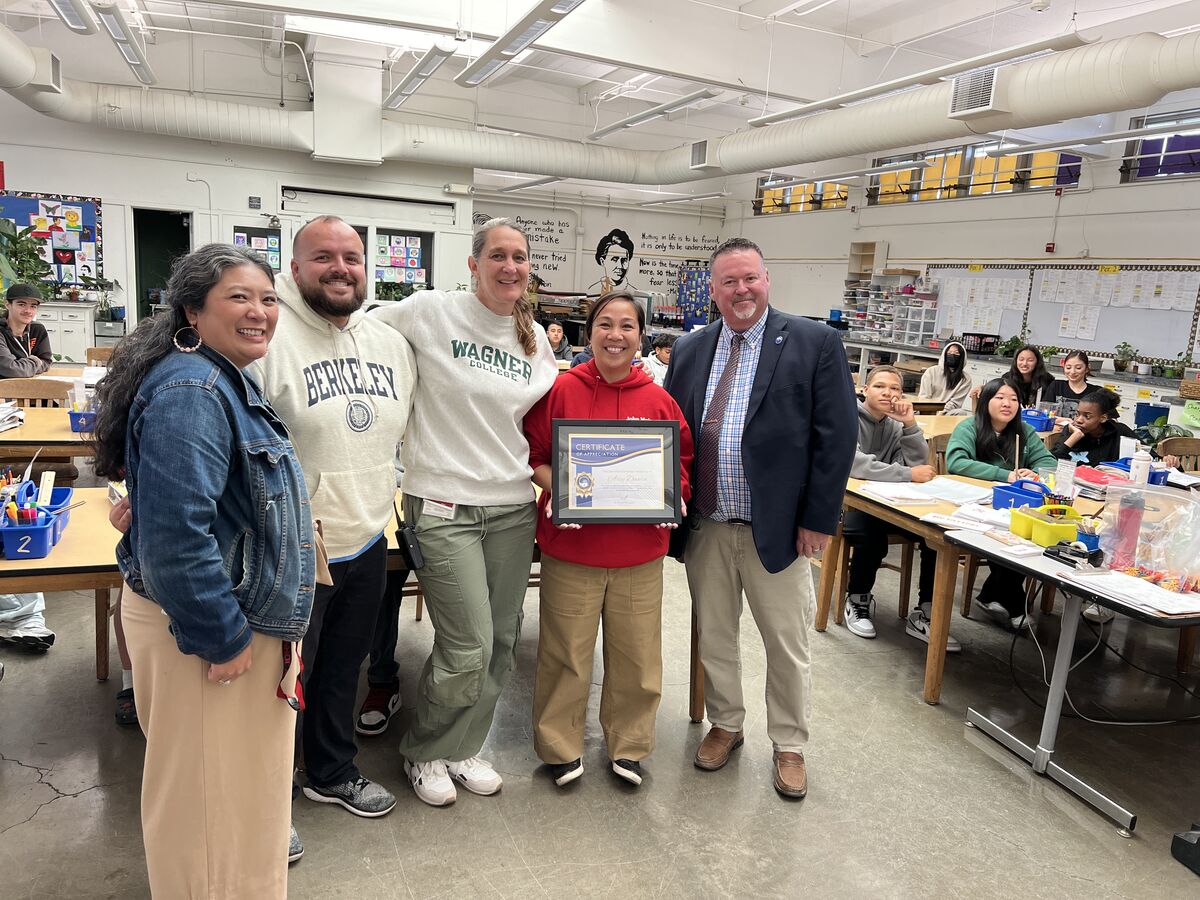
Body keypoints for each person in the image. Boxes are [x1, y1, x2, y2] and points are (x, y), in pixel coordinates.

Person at [91, 244, 314, 899]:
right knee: (208, 814)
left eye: (268, 298)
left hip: (221, 615)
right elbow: (176, 544)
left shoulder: (216, 377)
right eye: (238, 297)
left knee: (234, 806)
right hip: (208, 629)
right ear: (192, 310)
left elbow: (190, 509)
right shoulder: (194, 389)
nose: (259, 311)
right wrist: (223, 636)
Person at [371, 217, 558, 807]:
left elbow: (541, 423)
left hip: (512, 507)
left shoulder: (536, 339)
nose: (510, 266)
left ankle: (464, 746)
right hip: (442, 504)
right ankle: (424, 749)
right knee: (468, 641)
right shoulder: (431, 311)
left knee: (501, 639)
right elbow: (358, 330)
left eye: (519, 257)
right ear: (474, 264)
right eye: (497, 255)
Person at [664, 237, 857, 800]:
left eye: (750, 278)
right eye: (729, 281)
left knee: (786, 642)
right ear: (713, 290)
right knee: (715, 635)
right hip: (707, 525)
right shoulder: (690, 348)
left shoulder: (814, 342)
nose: (741, 289)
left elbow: (836, 439)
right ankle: (726, 723)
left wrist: (818, 518)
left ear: (767, 280)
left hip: (779, 529)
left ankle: (790, 743)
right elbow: (672, 433)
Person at [248, 215, 416, 821]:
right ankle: (269, 802)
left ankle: (330, 771)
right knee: (281, 682)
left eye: (352, 257)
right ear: (294, 268)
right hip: (291, 544)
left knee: (343, 669)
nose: (340, 269)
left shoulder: (390, 343)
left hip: (367, 534)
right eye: (323, 257)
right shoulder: (266, 338)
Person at [524, 291, 693, 789]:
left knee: (637, 656)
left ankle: (629, 746)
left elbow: (681, 464)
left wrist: (675, 497)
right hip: (571, 550)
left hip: (638, 553)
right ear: (590, 332)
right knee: (565, 653)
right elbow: (533, 457)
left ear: (640, 337)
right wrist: (561, 490)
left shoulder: (659, 401)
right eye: (605, 324)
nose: (615, 335)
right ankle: (559, 746)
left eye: (626, 326)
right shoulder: (560, 390)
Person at [843, 366, 961, 652]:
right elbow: (854, 464)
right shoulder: (846, 416)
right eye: (880, 386)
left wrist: (909, 425)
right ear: (865, 390)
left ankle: (925, 611)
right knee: (869, 533)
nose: (888, 393)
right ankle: (857, 598)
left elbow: (917, 464)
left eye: (895, 388)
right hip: (848, 504)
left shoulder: (896, 425)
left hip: (890, 502)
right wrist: (906, 474)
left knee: (936, 534)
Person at [946, 377, 1056, 630]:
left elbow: (1049, 462)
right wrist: (1005, 475)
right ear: (986, 401)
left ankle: (990, 595)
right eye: (1000, 398)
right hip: (976, 505)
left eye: (1014, 399)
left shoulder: (1024, 431)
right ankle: (1016, 605)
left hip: (1013, 505)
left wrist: (1033, 472)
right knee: (1008, 537)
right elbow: (956, 462)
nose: (1007, 404)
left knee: (1025, 534)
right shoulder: (969, 427)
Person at [0, 284, 52, 376]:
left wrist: (23, 367)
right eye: (21, 304)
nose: (28, 311)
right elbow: (10, 369)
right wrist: (35, 362)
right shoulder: (1, 331)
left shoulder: (37, 329)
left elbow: (46, 361)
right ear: (7, 305)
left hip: (27, 383)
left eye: (33, 306)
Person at [916, 340, 971, 414]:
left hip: (947, 413)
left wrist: (941, 414)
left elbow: (955, 403)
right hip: (927, 410)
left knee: (961, 412)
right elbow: (924, 396)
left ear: (962, 358)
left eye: (956, 353)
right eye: (949, 353)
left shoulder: (965, 379)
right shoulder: (931, 372)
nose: (952, 355)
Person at [1043, 349, 1092, 418]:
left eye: (1078, 368)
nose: (1072, 372)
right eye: (1068, 367)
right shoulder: (1056, 386)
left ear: (1087, 368)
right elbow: (1044, 413)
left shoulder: (1095, 392)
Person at [587, 228, 637, 294]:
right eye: (614, 259)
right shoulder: (592, 292)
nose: (620, 266)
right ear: (602, 261)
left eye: (624, 260)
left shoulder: (634, 294)